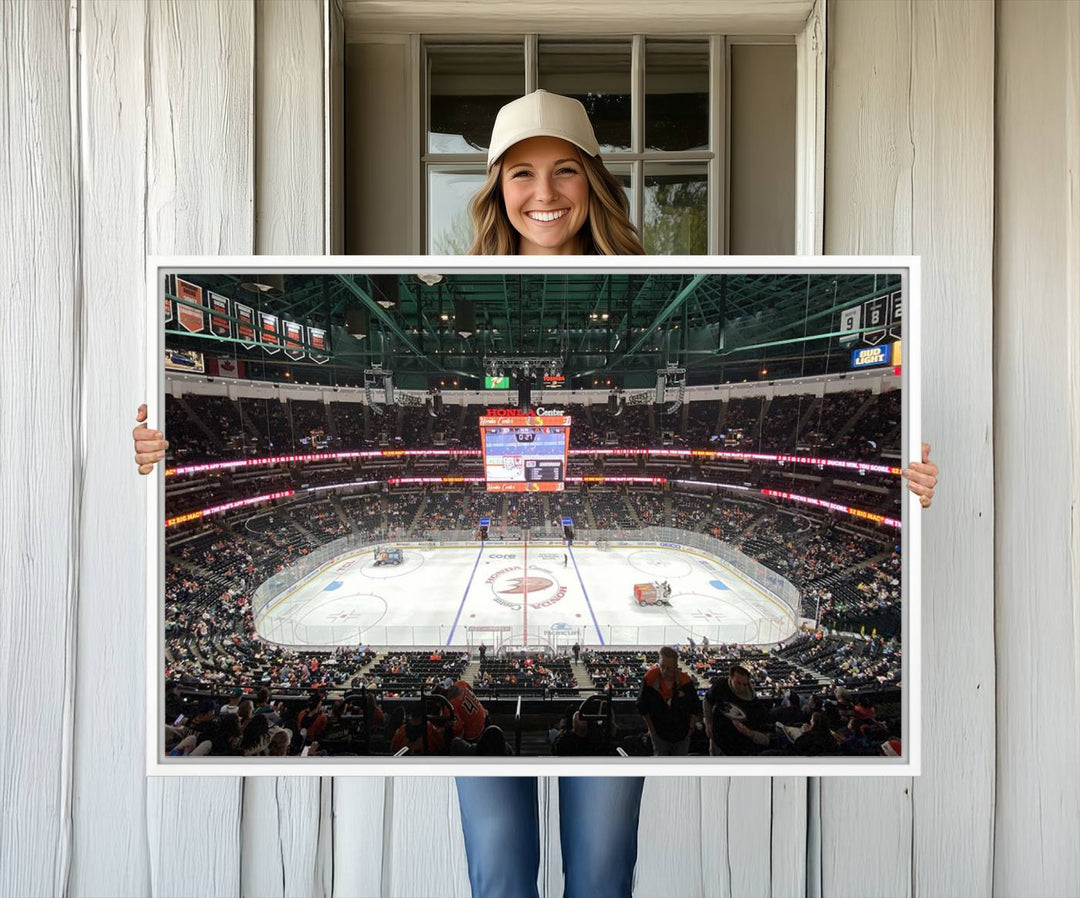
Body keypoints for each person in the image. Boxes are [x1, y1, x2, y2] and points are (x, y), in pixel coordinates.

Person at [135, 89, 940, 898]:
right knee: (499, 877)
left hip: (581, 710)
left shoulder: (654, 282)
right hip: (491, 716)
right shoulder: (436, 277)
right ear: (496, 189)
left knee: (599, 876)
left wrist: (909, 485)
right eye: (521, 173)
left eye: (564, 171)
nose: (544, 193)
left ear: (593, 180)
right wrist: (156, 452)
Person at [636, 646, 701, 756]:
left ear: (676, 666)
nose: (665, 671)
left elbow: (695, 707)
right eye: (662, 666)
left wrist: (690, 728)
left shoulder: (685, 681)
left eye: (669, 668)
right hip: (659, 734)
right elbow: (642, 706)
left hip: (682, 735)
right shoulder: (650, 679)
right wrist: (652, 729)